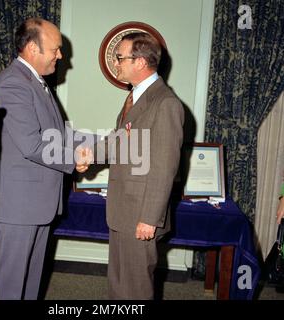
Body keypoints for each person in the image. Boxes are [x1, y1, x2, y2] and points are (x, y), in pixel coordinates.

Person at [0, 18, 90, 300]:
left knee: (29, 285)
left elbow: (58, 135)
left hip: (34, 205)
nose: (61, 55)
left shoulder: (35, 82)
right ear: (33, 48)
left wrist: (105, 144)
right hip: (18, 207)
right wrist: (72, 160)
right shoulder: (14, 84)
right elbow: (33, 143)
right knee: (11, 286)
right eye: (56, 49)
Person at [99, 32, 184, 299]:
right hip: (123, 210)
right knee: (119, 282)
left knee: (135, 288)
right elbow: (120, 144)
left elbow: (164, 166)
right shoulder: (136, 97)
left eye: (120, 58)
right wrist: (87, 156)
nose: (116, 63)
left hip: (140, 214)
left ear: (140, 62)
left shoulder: (165, 103)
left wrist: (149, 218)